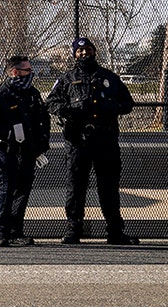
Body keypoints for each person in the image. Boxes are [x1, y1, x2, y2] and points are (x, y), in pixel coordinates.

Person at [45, 37, 139, 245]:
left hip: (105, 140)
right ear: (74, 55)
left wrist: (110, 108)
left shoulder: (109, 78)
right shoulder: (67, 79)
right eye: (79, 51)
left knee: (109, 187)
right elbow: (51, 102)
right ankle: (73, 229)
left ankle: (115, 231)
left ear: (94, 52)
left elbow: (127, 103)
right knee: (76, 186)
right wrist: (66, 111)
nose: (84, 53)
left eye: (87, 49)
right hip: (78, 142)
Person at [0, 55, 51, 246]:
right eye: (27, 70)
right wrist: (10, 135)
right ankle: (1, 232)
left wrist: (42, 142)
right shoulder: (0, 96)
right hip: (7, 151)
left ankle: (15, 231)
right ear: (14, 72)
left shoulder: (32, 94)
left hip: (28, 152)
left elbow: (43, 119)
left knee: (22, 190)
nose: (31, 74)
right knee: (5, 189)